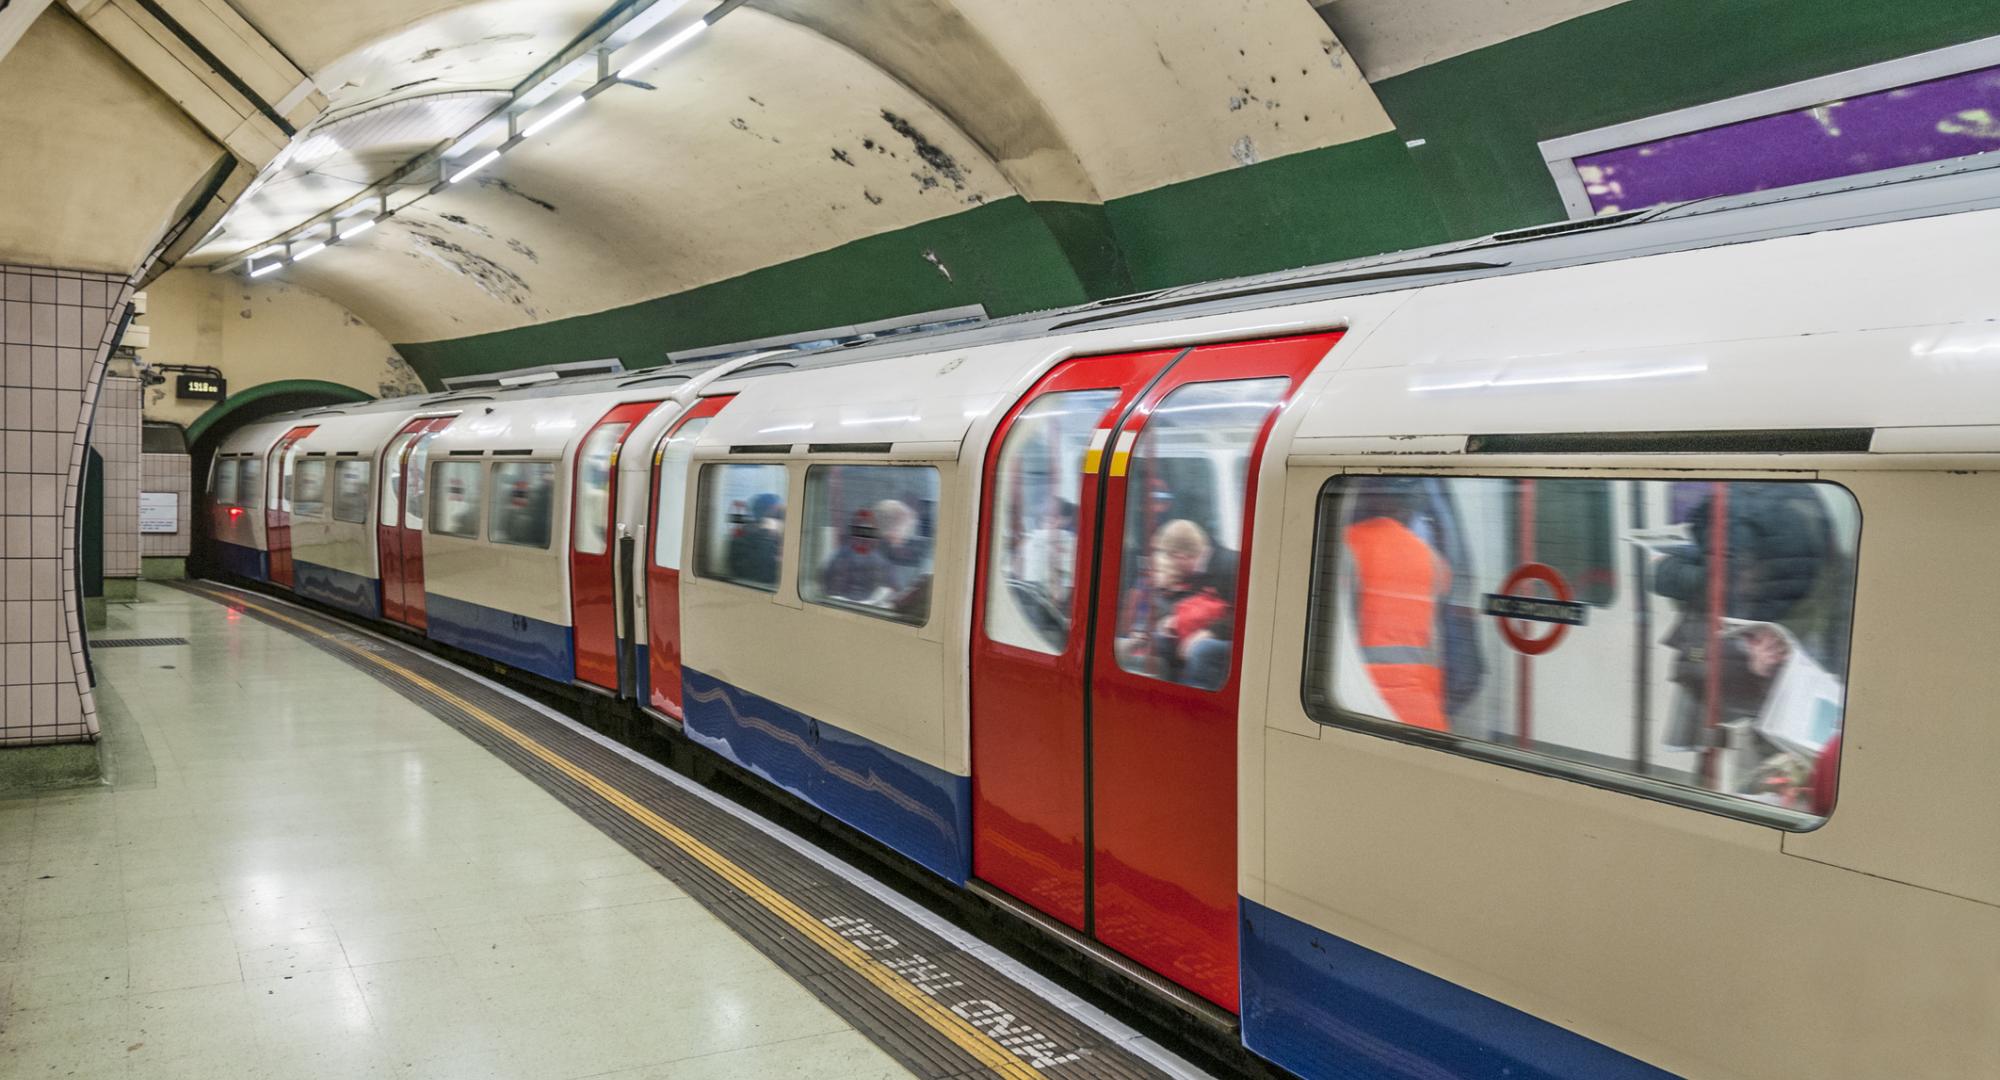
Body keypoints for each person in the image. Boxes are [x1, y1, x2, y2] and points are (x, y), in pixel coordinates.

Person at [1652, 482, 1832, 751]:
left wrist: (1665, 570)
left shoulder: (1734, 507)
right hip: (1764, 655)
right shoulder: (1807, 496)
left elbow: (1719, 583)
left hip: (1734, 671)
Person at [1344, 485, 1452, 732]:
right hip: (1423, 713)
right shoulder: (1432, 559)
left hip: (1361, 706)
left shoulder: (1343, 546)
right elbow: (1437, 644)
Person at [1115, 518, 1238, 689]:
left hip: (1233, 638)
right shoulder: (1198, 571)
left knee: (1202, 650)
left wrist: (1210, 633)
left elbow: (1247, 616)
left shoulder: (1230, 567)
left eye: (1168, 559)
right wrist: (1173, 620)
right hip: (1201, 628)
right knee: (1160, 641)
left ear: (1180, 557)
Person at [821, 499, 930, 610]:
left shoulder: (847, 551)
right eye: (905, 531)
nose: (904, 539)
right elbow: (894, 604)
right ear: (895, 531)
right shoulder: (879, 562)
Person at [727, 491, 784, 589]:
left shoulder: (770, 538)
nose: (779, 520)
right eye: (775, 515)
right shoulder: (743, 541)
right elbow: (767, 575)